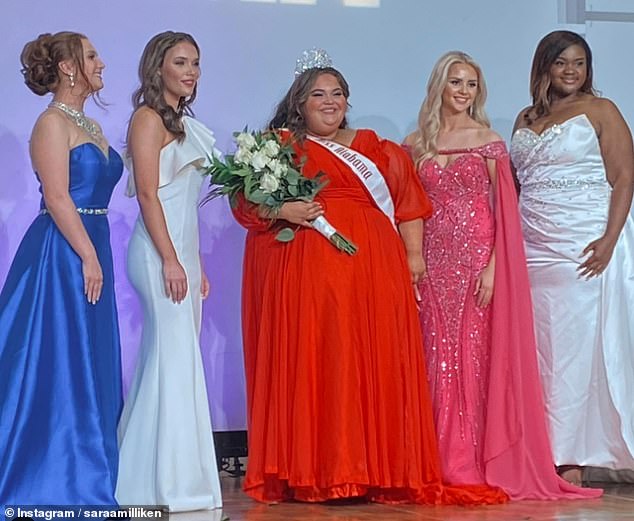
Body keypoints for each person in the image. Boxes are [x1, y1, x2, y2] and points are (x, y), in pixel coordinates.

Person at [231, 49, 508, 505]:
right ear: (299, 102)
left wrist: (414, 258)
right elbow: (244, 204)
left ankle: (371, 471)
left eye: (337, 93)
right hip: (307, 280)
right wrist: (284, 209)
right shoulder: (277, 147)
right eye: (318, 94)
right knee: (319, 363)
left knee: (367, 363)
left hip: (373, 275)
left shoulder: (376, 147)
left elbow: (409, 204)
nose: (329, 101)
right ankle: (317, 471)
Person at [405, 50, 602, 500]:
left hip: (477, 259)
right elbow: (410, 209)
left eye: (471, 84)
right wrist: (411, 258)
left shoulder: (490, 139)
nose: (462, 91)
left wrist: (495, 266)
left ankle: (475, 457)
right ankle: (434, 456)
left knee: (473, 356)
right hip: (433, 262)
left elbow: (504, 211)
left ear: (479, 90)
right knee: (436, 355)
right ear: (439, 86)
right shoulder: (416, 144)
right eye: (455, 82)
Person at [0, 31, 122, 505]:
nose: (102, 64)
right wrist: (87, 255)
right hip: (63, 252)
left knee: (90, 358)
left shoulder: (88, 125)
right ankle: (55, 475)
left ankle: (92, 468)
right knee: (61, 359)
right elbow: (56, 196)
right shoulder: (51, 122)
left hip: (95, 243)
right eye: (92, 55)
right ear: (69, 67)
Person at [511, 30, 634, 485]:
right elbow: (518, 185)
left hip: (581, 246)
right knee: (540, 348)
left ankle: (573, 457)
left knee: (576, 350)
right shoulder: (524, 117)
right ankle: (540, 449)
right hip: (532, 248)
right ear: (543, 66)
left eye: (578, 63)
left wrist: (609, 238)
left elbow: (624, 178)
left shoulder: (602, 111)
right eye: (561, 62)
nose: (570, 71)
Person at [114, 31, 222, 512]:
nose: (191, 71)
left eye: (196, 62)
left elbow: (185, 205)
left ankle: (154, 478)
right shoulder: (146, 118)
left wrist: (193, 263)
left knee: (172, 362)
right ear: (158, 67)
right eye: (181, 62)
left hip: (180, 254)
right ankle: (164, 486)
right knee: (172, 361)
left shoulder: (183, 122)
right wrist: (172, 259)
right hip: (157, 253)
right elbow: (148, 193)